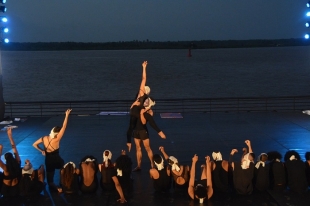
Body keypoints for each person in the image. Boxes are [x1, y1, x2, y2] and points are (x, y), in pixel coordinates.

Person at [32, 109, 72, 192]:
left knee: (50, 180)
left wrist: (42, 150)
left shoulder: (44, 138)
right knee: (63, 168)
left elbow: (34, 144)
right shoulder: (56, 139)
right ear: (57, 133)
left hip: (48, 160)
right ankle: (62, 182)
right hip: (56, 159)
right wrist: (67, 115)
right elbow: (64, 126)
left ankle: (56, 187)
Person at [132, 101, 166, 171]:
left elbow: (152, 123)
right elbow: (133, 106)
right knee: (138, 148)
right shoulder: (136, 110)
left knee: (147, 148)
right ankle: (138, 166)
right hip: (136, 131)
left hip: (143, 131)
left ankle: (152, 165)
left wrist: (159, 132)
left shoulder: (147, 113)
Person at [126, 61, 150, 152]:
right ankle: (139, 138)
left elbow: (143, 79)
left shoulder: (140, 95)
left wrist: (144, 67)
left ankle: (129, 142)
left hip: (133, 111)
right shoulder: (145, 97)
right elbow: (144, 79)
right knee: (141, 126)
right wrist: (144, 68)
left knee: (131, 127)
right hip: (137, 113)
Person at [0, 127, 21, 198]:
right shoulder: (17, 163)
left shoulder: (6, 168)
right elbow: (15, 150)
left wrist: (0, 149)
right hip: (16, 190)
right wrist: (10, 136)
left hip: (6, 190)